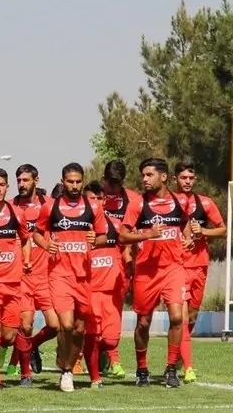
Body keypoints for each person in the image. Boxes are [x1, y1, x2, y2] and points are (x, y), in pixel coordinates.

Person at [33, 162, 107, 392]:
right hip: (59, 274)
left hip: (84, 276)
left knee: (79, 330)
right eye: (70, 181)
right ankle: (66, 371)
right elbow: (37, 234)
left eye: (78, 181)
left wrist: (96, 240)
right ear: (62, 182)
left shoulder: (93, 206)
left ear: (82, 181)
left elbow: (103, 236)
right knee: (65, 324)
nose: (74, 185)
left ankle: (67, 366)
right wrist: (47, 245)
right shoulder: (51, 207)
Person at [120, 158, 192, 388]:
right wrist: (147, 235)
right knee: (143, 323)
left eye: (149, 175)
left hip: (173, 268)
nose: (144, 179)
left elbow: (185, 222)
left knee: (178, 318)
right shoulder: (138, 204)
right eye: (143, 175)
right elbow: (123, 235)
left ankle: (171, 369)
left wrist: (188, 238)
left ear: (163, 176)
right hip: (146, 271)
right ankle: (142, 369)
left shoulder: (180, 201)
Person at [172, 161, 226, 383]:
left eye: (190, 178)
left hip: (200, 265)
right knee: (183, 318)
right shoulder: (168, 203)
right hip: (177, 267)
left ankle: (177, 353)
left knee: (192, 316)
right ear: (175, 179)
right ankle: (188, 368)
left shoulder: (205, 202)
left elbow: (223, 230)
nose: (187, 181)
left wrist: (203, 231)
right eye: (183, 178)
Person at [11, 164, 59, 385]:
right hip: (21, 277)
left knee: (55, 326)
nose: (22, 184)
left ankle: (32, 346)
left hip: (45, 276)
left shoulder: (50, 205)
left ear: (36, 181)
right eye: (19, 180)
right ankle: (25, 374)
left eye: (26, 180)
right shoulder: (10, 207)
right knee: (25, 325)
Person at [0, 168, 31, 389]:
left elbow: (26, 239)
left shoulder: (17, 213)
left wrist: (27, 260)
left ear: (7, 187)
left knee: (9, 336)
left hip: (12, 283)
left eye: (2, 185)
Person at [82, 181, 131, 388]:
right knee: (92, 336)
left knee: (111, 341)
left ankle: (90, 352)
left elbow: (126, 249)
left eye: (99, 198)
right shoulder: (78, 226)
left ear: (104, 201)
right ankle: (95, 378)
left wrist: (129, 270)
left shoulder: (117, 225)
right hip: (89, 291)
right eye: (91, 198)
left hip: (112, 291)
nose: (95, 202)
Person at [98, 160, 138, 378]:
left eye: (118, 183)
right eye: (110, 183)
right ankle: (79, 357)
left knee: (114, 312)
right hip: (94, 262)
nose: (114, 188)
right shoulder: (94, 198)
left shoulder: (133, 199)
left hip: (120, 263)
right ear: (103, 179)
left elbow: (134, 232)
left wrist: (131, 258)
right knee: (89, 314)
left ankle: (111, 356)